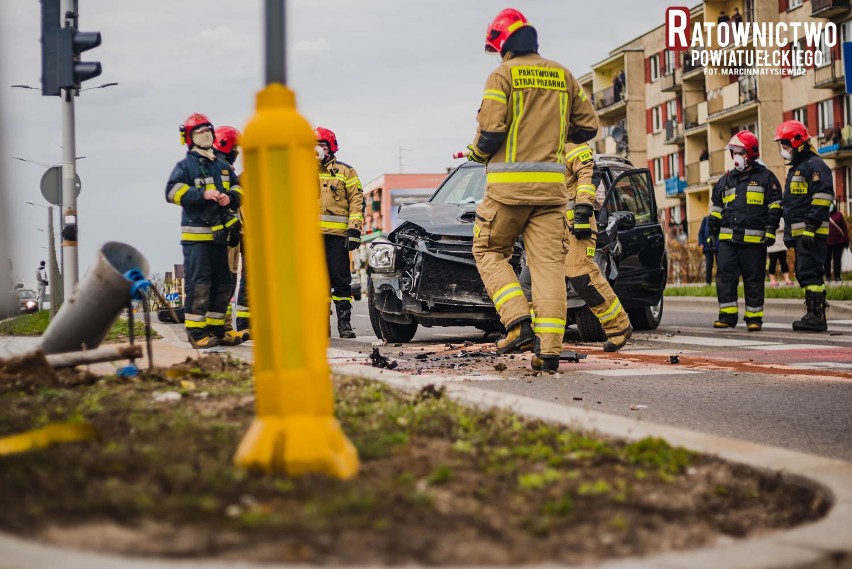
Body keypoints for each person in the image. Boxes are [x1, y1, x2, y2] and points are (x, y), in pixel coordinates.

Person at [469, 8, 599, 372]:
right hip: (551, 193)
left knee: (489, 250)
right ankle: (550, 351)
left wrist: (477, 153)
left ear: (503, 44)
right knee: (548, 267)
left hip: (507, 193)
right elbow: (588, 127)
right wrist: (551, 140)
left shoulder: (502, 74)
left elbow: (491, 131)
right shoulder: (563, 74)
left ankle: (516, 322)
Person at [165, 113, 243, 348]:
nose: (205, 135)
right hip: (197, 238)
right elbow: (172, 192)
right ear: (189, 137)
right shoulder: (185, 167)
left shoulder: (221, 166)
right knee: (199, 285)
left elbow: (239, 190)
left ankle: (217, 330)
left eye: (208, 131)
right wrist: (202, 194)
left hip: (221, 238)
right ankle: (197, 334)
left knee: (223, 284)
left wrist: (229, 198)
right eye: (199, 132)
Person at [708, 131, 782, 331]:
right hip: (728, 240)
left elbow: (775, 206)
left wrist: (770, 230)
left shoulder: (766, 177)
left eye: (739, 152)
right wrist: (711, 230)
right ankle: (727, 315)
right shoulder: (726, 179)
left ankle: (754, 318)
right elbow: (716, 206)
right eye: (733, 152)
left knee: (754, 279)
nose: (735, 156)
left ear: (750, 153)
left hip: (754, 241)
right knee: (725, 278)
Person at [563, 143, 632, 350]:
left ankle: (618, 326)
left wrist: (582, 210)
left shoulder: (568, 139)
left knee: (581, 275)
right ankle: (537, 337)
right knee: (531, 281)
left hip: (574, 223)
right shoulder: (532, 140)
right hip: (544, 227)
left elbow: (590, 171)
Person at [775, 120, 834, 331]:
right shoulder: (798, 168)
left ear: (798, 144)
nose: (784, 151)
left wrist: (811, 225)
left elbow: (823, 197)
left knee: (809, 272)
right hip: (802, 234)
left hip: (811, 232)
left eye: (786, 146)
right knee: (804, 272)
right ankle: (814, 312)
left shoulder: (814, 166)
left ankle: (816, 316)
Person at [315, 126, 364, 339]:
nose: (318, 150)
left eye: (322, 145)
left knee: (341, 281)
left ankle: (345, 324)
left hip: (337, 237)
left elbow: (356, 201)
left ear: (331, 147)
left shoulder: (346, 172)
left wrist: (354, 230)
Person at [212, 126, 251, 343]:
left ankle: (223, 328)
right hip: (226, 234)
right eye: (236, 148)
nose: (238, 152)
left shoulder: (223, 169)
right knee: (225, 281)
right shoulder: (221, 170)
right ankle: (221, 329)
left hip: (232, 233)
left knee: (228, 280)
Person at [826, 202, 849, 283]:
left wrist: (846, 240)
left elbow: (844, 228)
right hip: (826, 242)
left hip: (838, 242)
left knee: (837, 260)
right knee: (827, 260)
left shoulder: (839, 215)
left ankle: (837, 277)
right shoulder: (824, 215)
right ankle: (828, 276)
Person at [767, 219, 793, 287]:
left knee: (783, 262)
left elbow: (786, 227)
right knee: (773, 263)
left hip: (781, 244)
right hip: (772, 246)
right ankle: (772, 280)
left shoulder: (782, 218)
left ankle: (787, 279)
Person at [697, 215, 717, 285]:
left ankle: (720, 282)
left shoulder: (719, 219)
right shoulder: (705, 220)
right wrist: (701, 243)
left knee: (720, 265)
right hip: (707, 246)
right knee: (709, 266)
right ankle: (708, 283)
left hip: (717, 246)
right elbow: (701, 232)